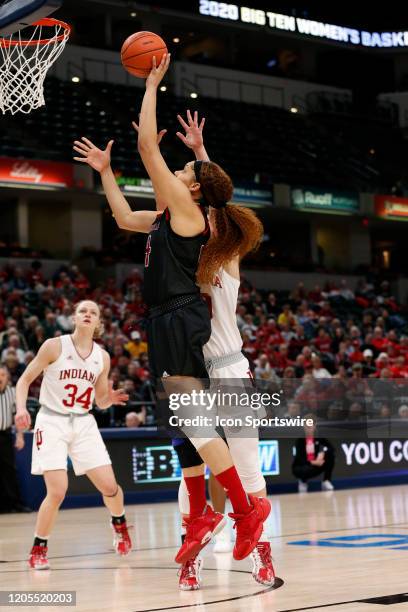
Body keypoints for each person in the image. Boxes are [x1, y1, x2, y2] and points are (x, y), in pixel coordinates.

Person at [73, 53, 270, 571]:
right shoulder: (167, 217)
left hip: (196, 331)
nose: (177, 172)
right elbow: (121, 215)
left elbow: (154, 152)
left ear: (197, 190)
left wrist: (153, 84)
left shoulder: (198, 224)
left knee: (206, 433)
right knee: (186, 430)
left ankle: (245, 516)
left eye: (186, 172)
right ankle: (207, 521)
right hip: (167, 320)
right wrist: (107, 172)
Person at [173, 109, 275, 589]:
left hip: (230, 370)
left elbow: (214, 202)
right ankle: (191, 553)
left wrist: (200, 154)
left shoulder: (227, 254)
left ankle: (262, 556)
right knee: (192, 470)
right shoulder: (182, 251)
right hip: (192, 373)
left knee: (249, 470)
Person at [14, 300, 132, 570]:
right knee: (57, 491)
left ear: (98, 322)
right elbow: (24, 380)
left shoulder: (102, 357)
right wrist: (21, 409)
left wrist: (108, 399)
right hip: (51, 420)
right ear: (74, 318)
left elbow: (99, 400)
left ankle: (120, 524)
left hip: (83, 422)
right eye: (83, 311)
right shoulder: (54, 346)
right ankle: (38, 548)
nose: (88, 314)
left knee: (110, 487)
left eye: (93, 312)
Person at [0, 365, 30, 513]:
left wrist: (20, 436)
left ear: (8, 378)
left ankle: (15, 504)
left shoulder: (13, 393)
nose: (0, 378)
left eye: (2, 375)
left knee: (9, 470)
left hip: (5, 436)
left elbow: (17, 416)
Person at [292, 414, 335, 493]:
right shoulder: (300, 441)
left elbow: (331, 448)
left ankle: (326, 481)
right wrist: (314, 462)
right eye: (306, 426)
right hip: (305, 466)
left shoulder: (319, 437)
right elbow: (300, 458)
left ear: (314, 426)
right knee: (301, 469)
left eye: (310, 426)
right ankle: (303, 481)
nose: (308, 428)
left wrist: (322, 453)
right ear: (303, 426)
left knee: (330, 455)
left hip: (317, 465)